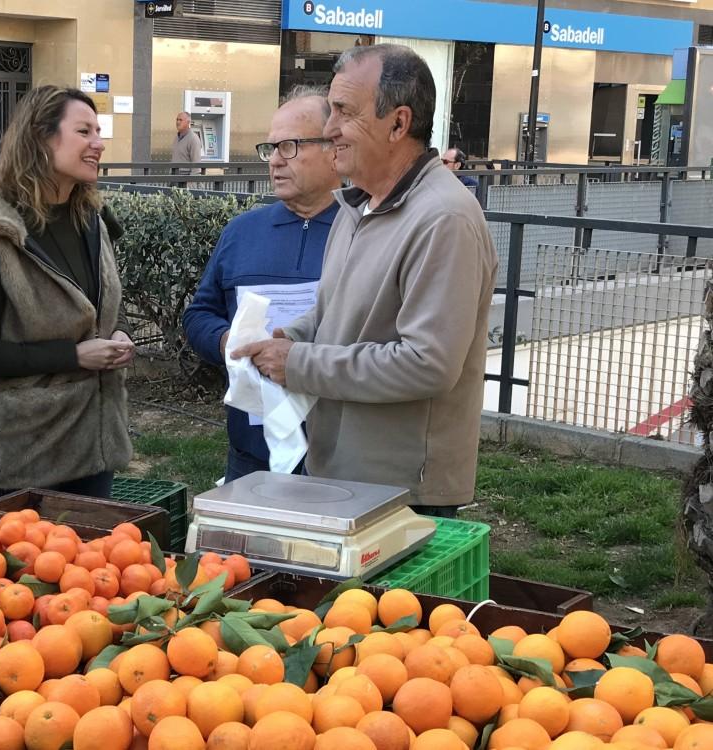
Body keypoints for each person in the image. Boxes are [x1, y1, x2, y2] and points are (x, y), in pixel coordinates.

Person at [234, 45, 498, 515]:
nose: (329, 129)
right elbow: (336, 312)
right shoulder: (358, 205)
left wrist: (298, 362)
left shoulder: (444, 218)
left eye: (344, 112)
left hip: (401, 491)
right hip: (343, 472)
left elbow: (427, 364)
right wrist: (288, 337)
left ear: (398, 124)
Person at [0, 86, 134, 500]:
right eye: (84, 131)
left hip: (94, 444)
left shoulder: (92, 219)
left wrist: (118, 332)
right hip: (25, 454)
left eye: (98, 132)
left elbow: (102, 307)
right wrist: (74, 355)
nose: (98, 144)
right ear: (41, 138)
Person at [183, 86, 340, 481]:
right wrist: (227, 342)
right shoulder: (242, 231)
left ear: (333, 148)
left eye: (289, 146)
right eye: (270, 148)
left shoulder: (364, 234)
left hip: (339, 456)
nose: (274, 161)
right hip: (251, 454)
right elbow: (200, 313)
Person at [171, 111, 204, 176]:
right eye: (177, 120)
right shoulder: (176, 137)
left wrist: (190, 183)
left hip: (185, 179)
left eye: (180, 120)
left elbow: (196, 164)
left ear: (188, 122)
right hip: (174, 176)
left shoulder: (193, 139)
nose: (178, 122)